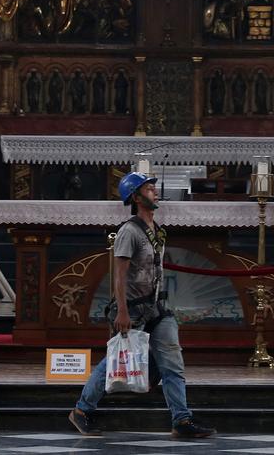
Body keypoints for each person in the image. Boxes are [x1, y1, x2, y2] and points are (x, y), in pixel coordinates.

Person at [68, 171, 215, 438]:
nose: (154, 192)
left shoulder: (155, 230)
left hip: (158, 308)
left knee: (173, 363)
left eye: (153, 188)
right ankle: (82, 409)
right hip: (133, 309)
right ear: (135, 197)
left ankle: (181, 421)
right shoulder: (129, 231)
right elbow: (119, 274)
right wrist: (122, 311)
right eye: (148, 189)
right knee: (115, 362)